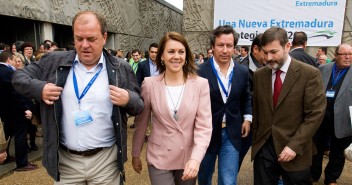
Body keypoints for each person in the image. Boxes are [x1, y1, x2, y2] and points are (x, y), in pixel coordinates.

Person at [12, 10, 144, 184]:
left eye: (91, 39)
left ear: (104, 37)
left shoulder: (120, 67)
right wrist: (40, 88)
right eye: (79, 38)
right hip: (66, 163)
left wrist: (128, 98)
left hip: (105, 162)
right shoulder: (53, 61)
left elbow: (139, 105)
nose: (84, 45)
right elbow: (18, 78)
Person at [132, 31, 212, 185]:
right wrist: (136, 153)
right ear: (161, 56)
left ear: (186, 55)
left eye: (181, 52)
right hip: (159, 156)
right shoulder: (149, 84)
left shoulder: (200, 84)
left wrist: (196, 159)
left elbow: (204, 127)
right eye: (171, 51)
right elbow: (141, 122)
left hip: (188, 157)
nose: (176, 56)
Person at [251, 27, 326, 185]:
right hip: (264, 150)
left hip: (295, 151)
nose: (268, 57)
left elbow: (315, 114)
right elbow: (258, 111)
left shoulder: (309, 74)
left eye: (273, 51)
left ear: (287, 46)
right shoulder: (259, 75)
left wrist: (294, 146)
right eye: (265, 52)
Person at [197, 25, 252, 185]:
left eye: (229, 46)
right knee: (204, 177)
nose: (225, 50)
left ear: (234, 48)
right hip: (206, 133)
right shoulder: (199, 71)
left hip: (232, 133)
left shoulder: (242, 72)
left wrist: (247, 118)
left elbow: (246, 97)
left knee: (228, 180)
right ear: (213, 47)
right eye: (221, 45)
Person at [311, 43, 352, 185]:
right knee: (316, 147)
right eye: (344, 54)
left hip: (343, 118)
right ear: (335, 56)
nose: (348, 57)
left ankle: (331, 177)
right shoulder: (323, 69)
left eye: (350, 54)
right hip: (321, 116)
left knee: (338, 150)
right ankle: (313, 173)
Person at [0, 51, 36, 171]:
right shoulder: (9, 72)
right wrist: (25, 107)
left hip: (4, 109)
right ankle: (22, 163)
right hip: (15, 109)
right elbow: (16, 92)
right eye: (14, 59)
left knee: (7, 134)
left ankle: (5, 156)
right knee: (20, 135)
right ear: (9, 59)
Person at [238, 33, 266, 171]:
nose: (270, 56)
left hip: (262, 123)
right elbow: (244, 97)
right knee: (236, 158)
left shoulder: (266, 65)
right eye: (266, 52)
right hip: (246, 123)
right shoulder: (242, 69)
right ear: (256, 49)